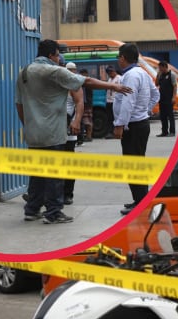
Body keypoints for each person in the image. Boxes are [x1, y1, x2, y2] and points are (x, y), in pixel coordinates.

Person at [17, 40, 131, 224]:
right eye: (57, 55)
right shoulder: (54, 71)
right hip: (53, 132)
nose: (58, 58)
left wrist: (28, 125)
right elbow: (86, 81)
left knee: (37, 173)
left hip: (34, 133)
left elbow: (19, 104)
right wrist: (113, 86)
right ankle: (53, 212)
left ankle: (32, 209)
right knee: (55, 174)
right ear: (52, 55)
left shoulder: (23, 73)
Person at [113, 42, 159, 214]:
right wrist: (145, 111)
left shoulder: (131, 75)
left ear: (123, 58)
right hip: (140, 124)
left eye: (119, 57)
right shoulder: (142, 73)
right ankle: (140, 200)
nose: (119, 60)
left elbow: (128, 102)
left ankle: (140, 203)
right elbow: (156, 94)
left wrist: (120, 125)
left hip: (132, 126)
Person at [63, 61, 82, 206]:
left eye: (72, 70)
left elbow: (79, 104)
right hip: (55, 126)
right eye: (68, 70)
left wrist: (76, 122)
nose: (71, 72)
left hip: (68, 126)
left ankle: (68, 194)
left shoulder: (74, 85)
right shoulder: (59, 84)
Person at [157, 61, 177, 137]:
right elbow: (156, 84)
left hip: (169, 98)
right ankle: (164, 131)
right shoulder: (160, 75)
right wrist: (158, 75)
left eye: (160, 67)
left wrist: (174, 97)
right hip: (162, 98)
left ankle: (172, 132)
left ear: (165, 67)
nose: (159, 69)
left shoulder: (171, 75)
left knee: (170, 115)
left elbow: (175, 86)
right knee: (163, 116)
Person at [103, 65, 121, 139]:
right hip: (109, 101)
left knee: (115, 117)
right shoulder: (109, 79)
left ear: (114, 71)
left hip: (115, 101)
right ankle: (110, 132)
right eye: (108, 72)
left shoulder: (119, 78)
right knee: (109, 118)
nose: (110, 73)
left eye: (111, 72)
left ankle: (114, 132)